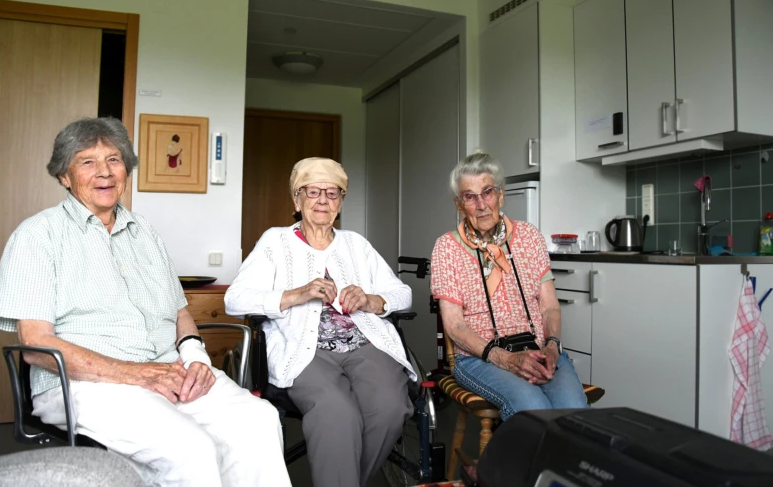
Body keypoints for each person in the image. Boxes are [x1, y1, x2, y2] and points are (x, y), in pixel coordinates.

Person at [0, 117, 291, 487]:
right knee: (189, 447)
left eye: (114, 160)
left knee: (256, 420)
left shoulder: (145, 233)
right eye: (87, 162)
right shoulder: (38, 235)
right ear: (64, 176)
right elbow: (35, 345)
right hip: (86, 384)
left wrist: (195, 359)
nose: (105, 173)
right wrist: (137, 374)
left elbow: (180, 313)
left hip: (167, 371)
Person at [225, 157, 415, 487]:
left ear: (341, 202)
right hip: (304, 349)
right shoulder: (275, 242)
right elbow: (235, 299)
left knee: (391, 407)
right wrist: (296, 294)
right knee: (336, 413)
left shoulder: (356, 244)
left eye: (332, 192)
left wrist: (371, 300)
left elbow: (402, 293)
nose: (323, 200)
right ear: (296, 200)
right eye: (312, 192)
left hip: (364, 343)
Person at [430, 152, 587, 421]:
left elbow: (549, 306)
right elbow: (454, 326)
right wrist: (503, 358)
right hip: (478, 359)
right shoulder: (447, 247)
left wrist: (551, 346)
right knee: (533, 410)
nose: (481, 205)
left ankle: (505, 464)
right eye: (470, 196)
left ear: (500, 196)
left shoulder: (529, 236)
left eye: (487, 192)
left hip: (538, 349)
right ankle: (508, 463)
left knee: (573, 412)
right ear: (459, 205)